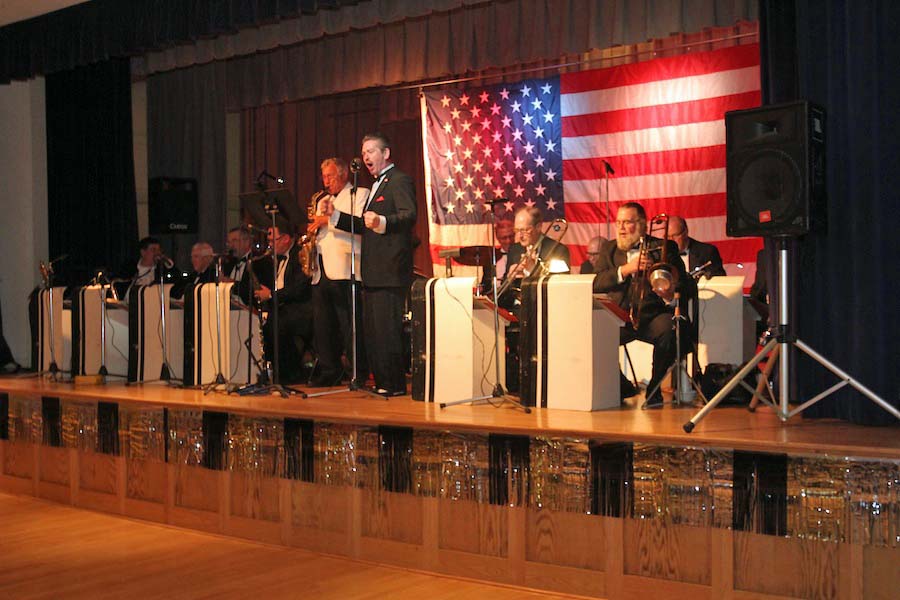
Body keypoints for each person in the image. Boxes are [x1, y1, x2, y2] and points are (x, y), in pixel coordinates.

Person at [316, 133, 416, 396]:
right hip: (372, 271)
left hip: (390, 269)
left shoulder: (399, 180)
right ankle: (383, 382)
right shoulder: (374, 186)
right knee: (374, 331)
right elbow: (362, 225)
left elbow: (409, 215)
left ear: (386, 153)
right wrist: (334, 215)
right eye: (364, 152)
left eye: (372, 151)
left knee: (387, 329)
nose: (366, 156)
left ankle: (394, 385)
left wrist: (382, 223)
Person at [592, 202, 694, 404]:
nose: (620, 228)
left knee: (671, 330)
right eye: (618, 222)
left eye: (627, 222)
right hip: (620, 317)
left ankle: (654, 390)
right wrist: (626, 269)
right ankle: (623, 387)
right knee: (594, 335)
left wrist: (669, 291)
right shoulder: (609, 249)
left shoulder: (664, 246)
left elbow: (683, 282)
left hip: (652, 316)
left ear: (641, 224)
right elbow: (596, 281)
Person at [307, 157, 370, 387]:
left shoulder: (360, 194)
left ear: (344, 174)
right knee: (323, 324)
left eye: (330, 176)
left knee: (349, 323)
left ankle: (358, 371)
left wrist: (328, 220)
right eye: (323, 177)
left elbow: (359, 226)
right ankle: (329, 369)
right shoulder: (322, 199)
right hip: (321, 267)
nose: (326, 182)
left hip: (345, 267)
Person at [254, 220, 313, 385]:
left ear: (286, 238)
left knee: (277, 323)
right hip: (285, 308)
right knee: (264, 322)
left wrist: (271, 295)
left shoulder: (301, 254)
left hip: (303, 309)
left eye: (273, 241)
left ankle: (289, 373)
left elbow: (299, 288)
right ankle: (275, 371)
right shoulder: (277, 259)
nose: (270, 245)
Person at [499, 206, 570, 310]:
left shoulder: (558, 250)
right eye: (517, 230)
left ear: (538, 227)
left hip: (545, 310)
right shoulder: (514, 250)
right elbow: (502, 298)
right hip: (516, 311)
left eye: (525, 230)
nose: (520, 236)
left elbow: (560, 290)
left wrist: (533, 270)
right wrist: (510, 277)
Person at [479, 216, 515, 294]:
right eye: (504, 238)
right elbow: (486, 284)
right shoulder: (491, 257)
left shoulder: (522, 253)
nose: (508, 241)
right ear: (498, 238)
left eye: (511, 236)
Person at [224, 226, 254, 305]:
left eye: (234, 241)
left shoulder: (259, 261)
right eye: (229, 242)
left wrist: (231, 283)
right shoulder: (228, 263)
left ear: (246, 242)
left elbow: (253, 291)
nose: (231, 245)